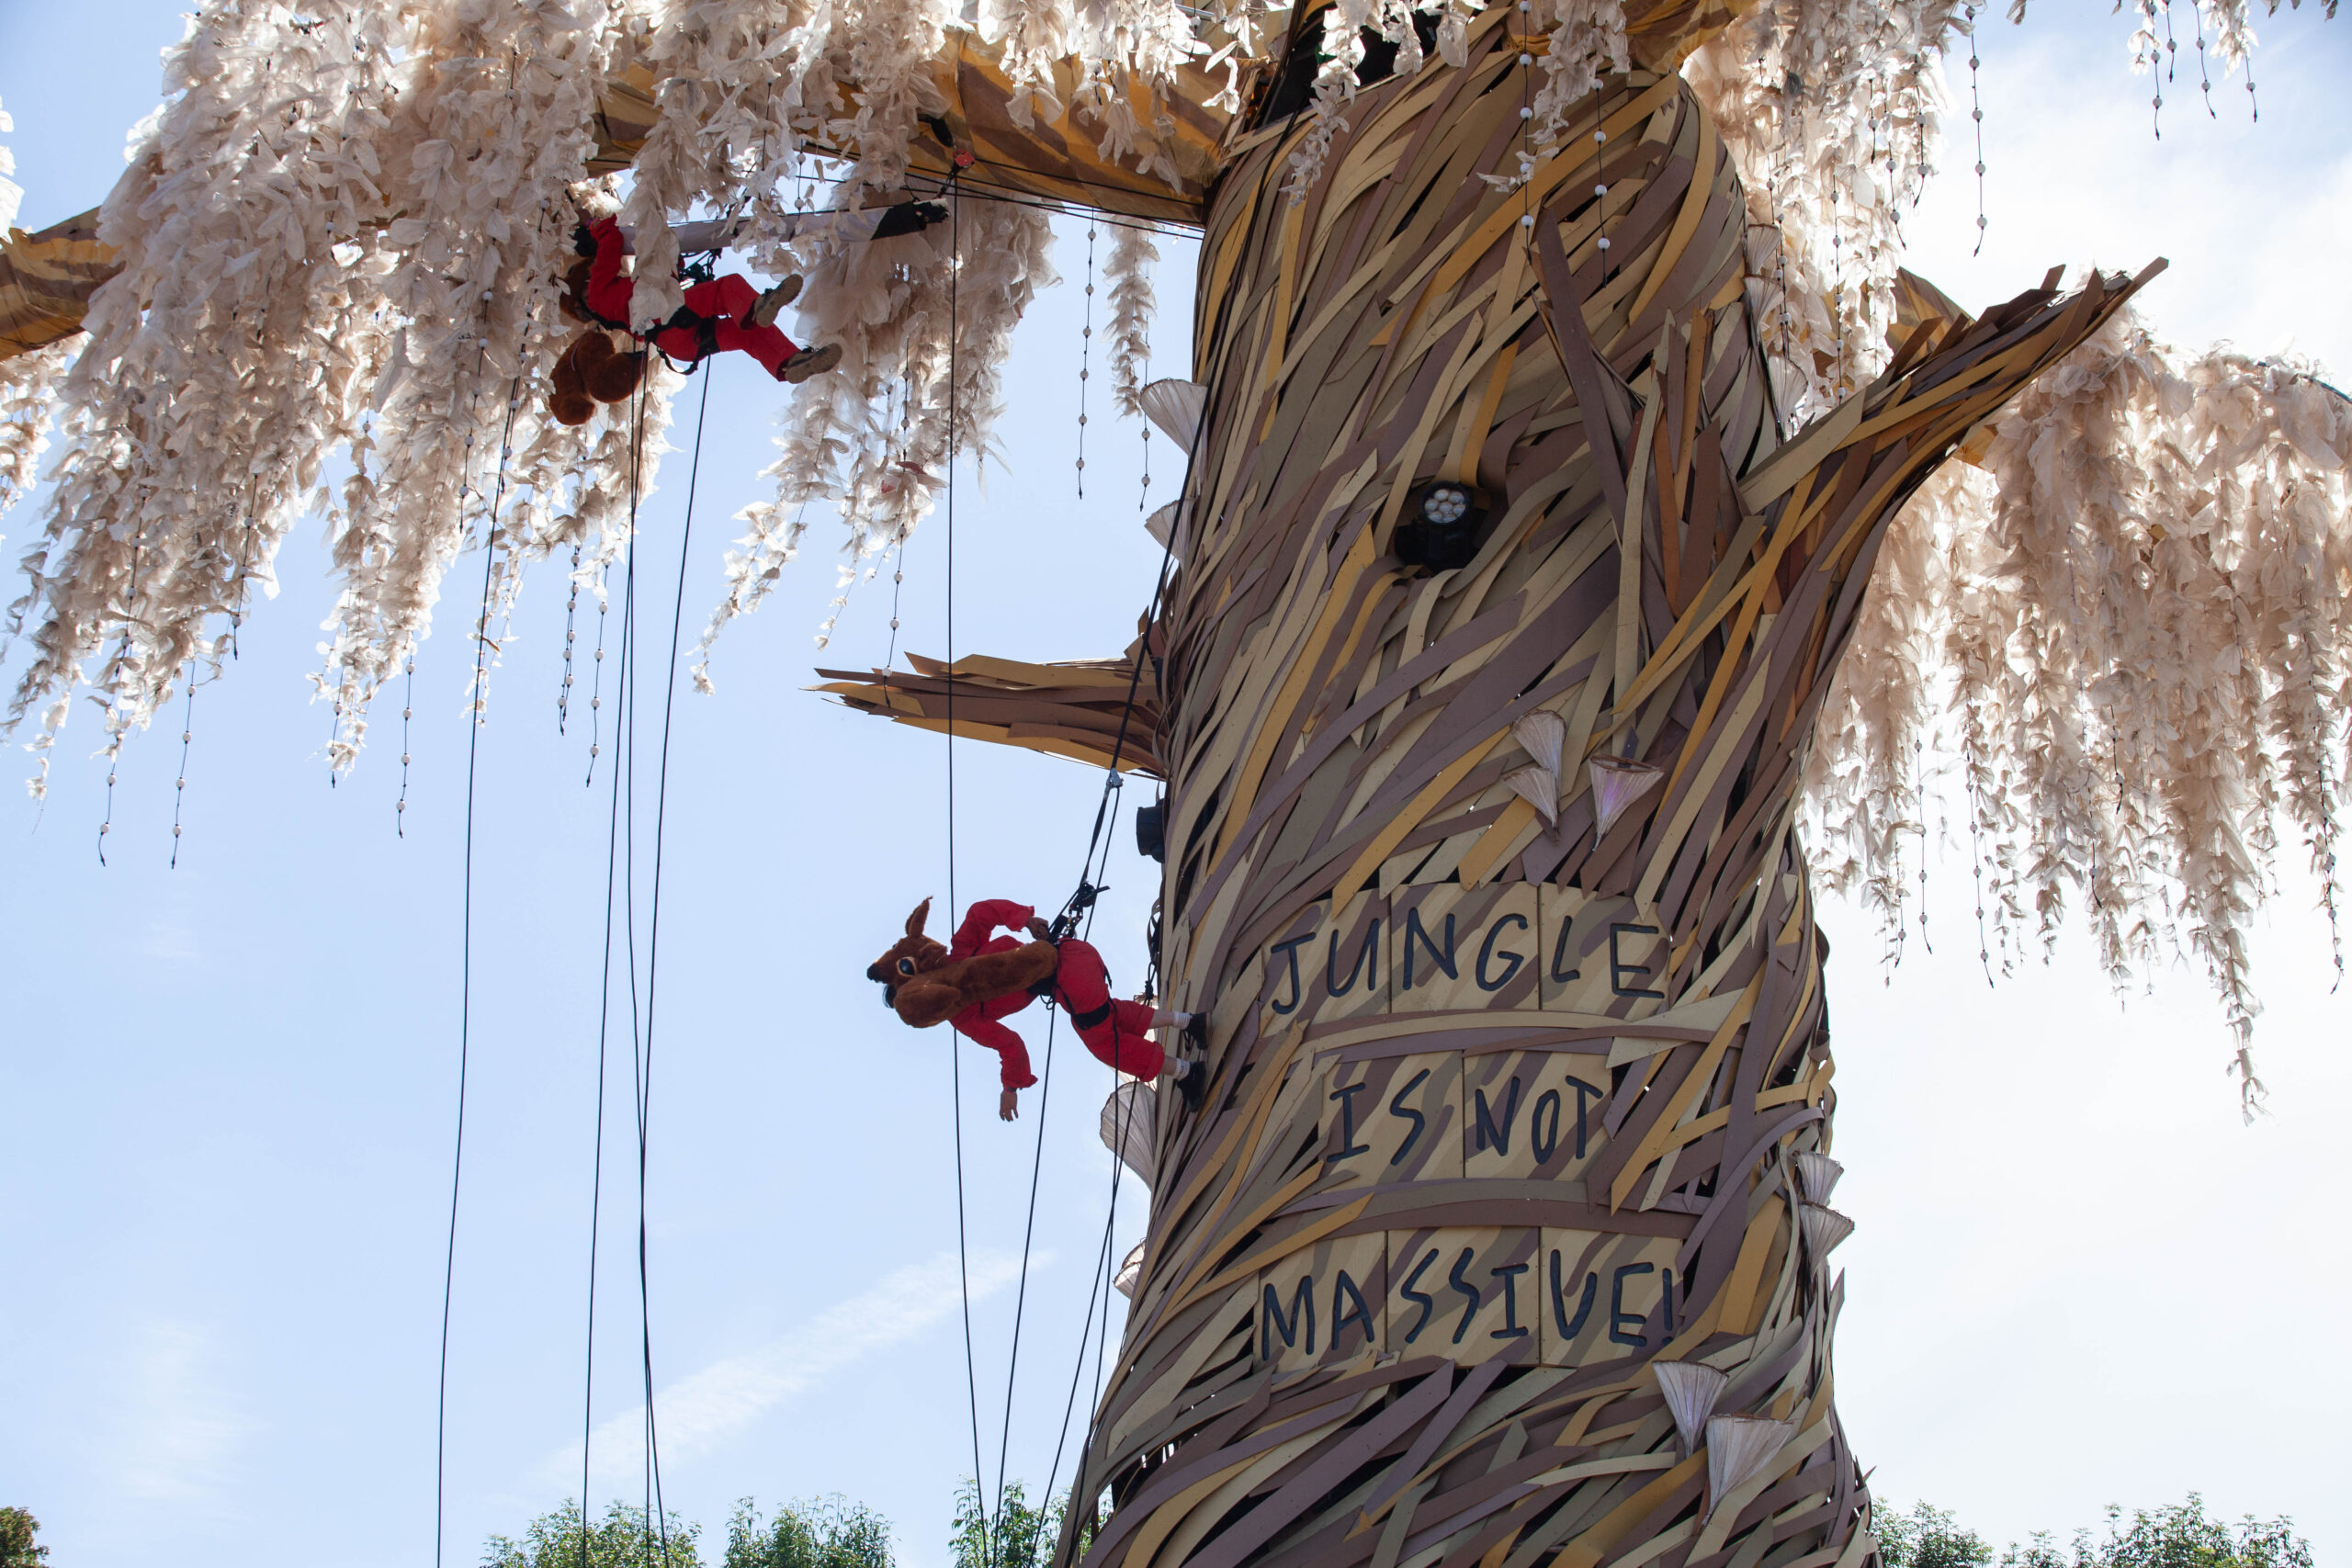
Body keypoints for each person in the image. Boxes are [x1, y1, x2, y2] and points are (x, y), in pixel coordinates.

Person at [868, 897, 1208, 1122]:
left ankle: (1186, 1073)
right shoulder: (962, 956)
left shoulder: (964, 1013)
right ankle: (1189, 1022)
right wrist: (1026, 921)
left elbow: (1010, 1045)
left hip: (1066, 976)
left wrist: (1010, 1088)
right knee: (1110, 1016)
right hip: (1072, 955)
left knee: (1106, 1044)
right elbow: (979, 913)